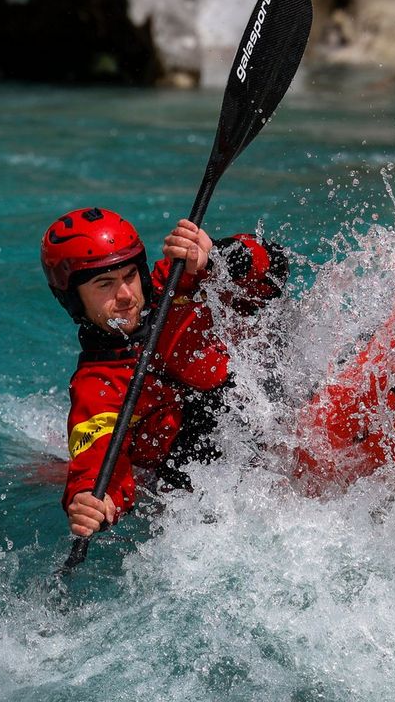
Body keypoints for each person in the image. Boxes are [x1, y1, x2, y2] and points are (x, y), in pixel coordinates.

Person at [41, 207, 288, 537]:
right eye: (105, 284)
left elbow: (274, 271)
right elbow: (97, 459)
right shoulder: (98, 386)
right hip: (207, 484)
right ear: (73, 300)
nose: (126, 295)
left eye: (129, 276)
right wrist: (90, 499)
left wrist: (219, 256)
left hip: (275, 418)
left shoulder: (181, 281)